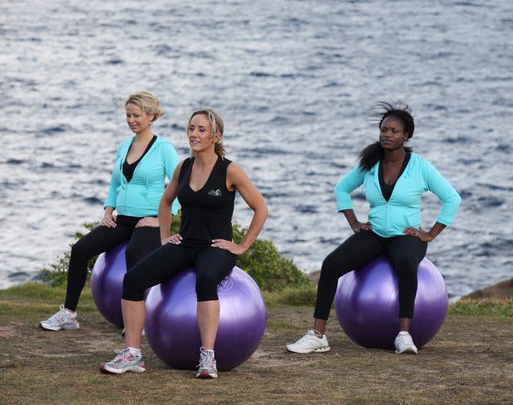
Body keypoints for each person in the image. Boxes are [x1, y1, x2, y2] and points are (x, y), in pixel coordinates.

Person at [99, 108, 268, 379]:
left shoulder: (230, 170)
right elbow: (165, 202)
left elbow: (261, 209)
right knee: (133, 279)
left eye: (201, 130)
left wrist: (241, 246)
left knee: (206, 279)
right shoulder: (184, 167)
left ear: (216, 136)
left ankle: (208, 358)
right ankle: (132, 353)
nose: (194, 134)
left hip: (215, 248)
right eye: (191, 128)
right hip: (186, 245)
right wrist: (166, 237)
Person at [287, 102, 461, 355]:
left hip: (406, 236)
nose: (387, 135)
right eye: (384, 130)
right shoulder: (371, 164)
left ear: (406, 136)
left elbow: (452, 198)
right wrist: (354, 223)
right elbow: (342, 188)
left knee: (405, 262)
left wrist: (430, 234)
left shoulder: (420, 167)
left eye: (394, 131)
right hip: (376, 234)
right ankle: (317, 335)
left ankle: (403, 335)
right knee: (331, 264)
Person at [40, 91, 179, 331]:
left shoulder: (163, 148)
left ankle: (138, 321)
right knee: (80, 249)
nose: (131, 120)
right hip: (122, 220)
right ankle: (68, 313)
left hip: (148, 221)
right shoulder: (124, 147)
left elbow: (180, 186)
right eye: (128, 115)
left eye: (136, 115)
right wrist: (108, 210)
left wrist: (159, 220)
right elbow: (116, 184)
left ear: (150, 115)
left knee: (134, 255)